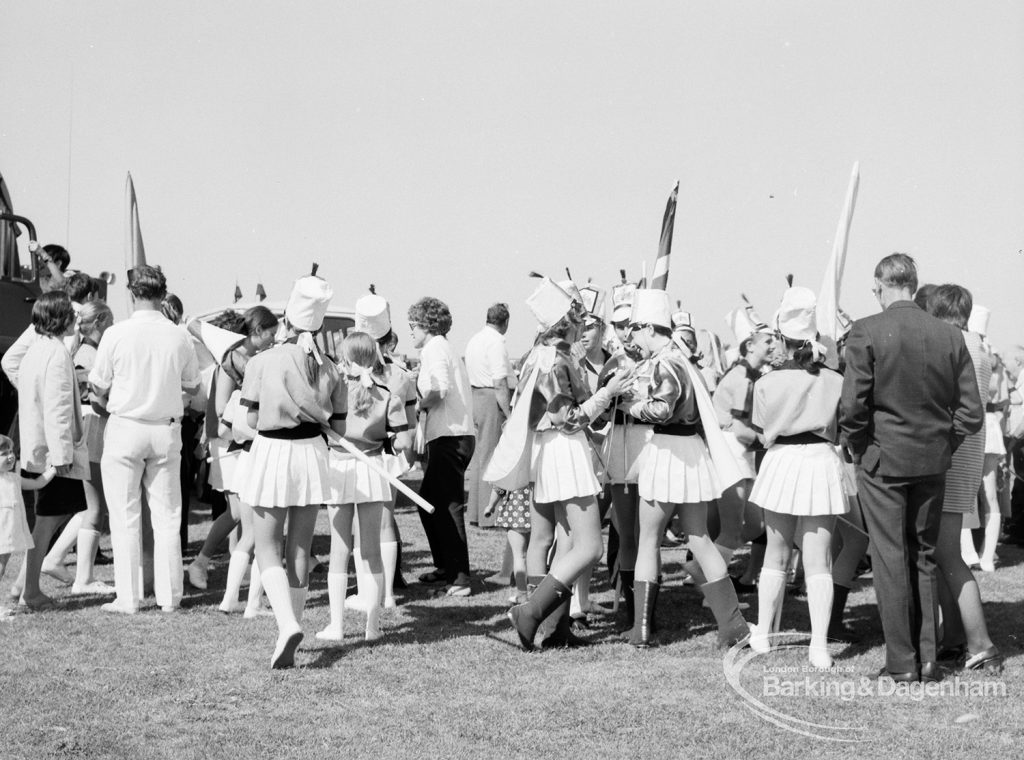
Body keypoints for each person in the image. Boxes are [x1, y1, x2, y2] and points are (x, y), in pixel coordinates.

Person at [840, 253, 983, 683]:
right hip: (930, 461)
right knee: (923, 556)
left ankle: (903, 663)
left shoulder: (865, 329)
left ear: (882, 286)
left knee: (889, 558)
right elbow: (971, 413)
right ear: (913, 283)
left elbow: (852, 406)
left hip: (883, 461)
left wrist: (860, 447)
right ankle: (926, 659)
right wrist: (943, 444)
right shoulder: (950, 335)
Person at [619, 289, 749, 649]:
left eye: (635, 330)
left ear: (648, 327)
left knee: (649, 539)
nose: (632, 338)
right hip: (689, 451)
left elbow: (661, 409)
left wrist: (630, 406)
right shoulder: (682, 359)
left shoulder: (667, 361)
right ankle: (732, 624)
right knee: (700, 540)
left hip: (667, 449)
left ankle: (642, 629)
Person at [506, 276, 627, 650]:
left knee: (563, 540)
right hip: (563, 447)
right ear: (567, 322)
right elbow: (567, 417)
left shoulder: (539, 354)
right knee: (589, 546)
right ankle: (531, 612)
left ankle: (555, 631)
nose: (583, 326)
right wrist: (608, 392)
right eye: (579, 319)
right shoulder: (554, 358)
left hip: (549, 449)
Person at [234, 274, 345, 668]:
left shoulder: (262, 361)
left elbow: (249, 415)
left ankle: (286, 625)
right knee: (299, 547)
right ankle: (293, 622)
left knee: (266, 546)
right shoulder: (330, 367)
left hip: (273, 451)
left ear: (285, 319)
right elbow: (341, 428)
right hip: (312, 453)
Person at [89, 265, 201, 615]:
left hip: (126, 425)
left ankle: (129, 596)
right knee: (167, 515)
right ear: (161, 293)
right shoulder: (178, 335)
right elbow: (193, 386)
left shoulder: (116, 333)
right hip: (164, 428)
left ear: (132, 293)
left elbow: (98, 383)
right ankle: (171, 597)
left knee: (125, 517)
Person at [746, 287, 848, 669]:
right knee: (818, 558)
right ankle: (818, 645)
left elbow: (761, 430)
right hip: (821, 460)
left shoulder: (766, 382)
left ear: (782, 339)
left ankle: (763, 634)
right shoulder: (835, 379)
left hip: (783, 461)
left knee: (776, 552)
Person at [924, 285, 1001, 671]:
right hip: (967, 453)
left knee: (948, 554)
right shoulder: (978, 346)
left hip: (953, 455)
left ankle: (980, 642)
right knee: (945, 553)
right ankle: (954, 639)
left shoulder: (955, 345)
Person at [317, 332, 411, 644]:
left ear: (346, 357)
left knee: (339, 550)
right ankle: (372, 627)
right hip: (373, 469)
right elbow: (405, 441)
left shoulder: (335, 390)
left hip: (341, 466)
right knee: (370, 550)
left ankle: (337, 626)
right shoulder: (388, 393)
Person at [187, 306, 278, 619]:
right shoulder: (231, 361)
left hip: (239, 443)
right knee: (248, 520)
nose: (273, 340)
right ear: (255, 331)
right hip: (233, 444)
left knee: (239, 515)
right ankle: (239, 595)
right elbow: (224, 408)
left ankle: (219, 579)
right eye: (270, 334)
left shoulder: (247, 357)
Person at [13, 291, 89, 609]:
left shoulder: (35, 350)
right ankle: (29, 590)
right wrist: (62, 458)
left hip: (37, 446)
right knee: (48, 519)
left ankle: (22, 585)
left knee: (50, 518)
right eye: (73, 315)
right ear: (61, 319)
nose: (77, 320)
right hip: (52, 452)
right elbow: (58, 410)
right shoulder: (56, 353)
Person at [39, 300, 117, 594]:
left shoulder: (81, 350)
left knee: (90, 506)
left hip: (87, 425)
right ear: (100, 321)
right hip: (92, 426)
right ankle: (82, 577)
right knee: (95, 506)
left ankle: (57, 558)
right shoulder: (89, 353)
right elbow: (96, 398)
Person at [408, 297, 475, 596]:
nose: (410, 332)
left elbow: (439, 388)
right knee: (429, 503)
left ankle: (459, 577)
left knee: (447, 505)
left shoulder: (434, 347)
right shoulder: (441, 347)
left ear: (425, 325)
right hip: (449, 434)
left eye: (412, 327)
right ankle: (445, 566)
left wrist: (418, 406)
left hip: (450, 436)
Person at [464, 303, 512, 528]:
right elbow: (500, 382)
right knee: (493, 456)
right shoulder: (496, 342)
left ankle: (475, 511)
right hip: (490, 398)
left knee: (480, 457)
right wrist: (509, 413)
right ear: (505, 322)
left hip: (475, 396)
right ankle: (489, 514)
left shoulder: (475, 339)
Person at [0, 435, 56, 618]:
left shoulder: (14, 478)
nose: (9, 457)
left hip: (8, 534)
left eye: (10, 452)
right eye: (3, 454)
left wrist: (53, 470)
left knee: (3, 566)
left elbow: (37, 483)